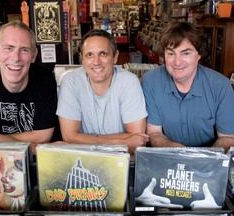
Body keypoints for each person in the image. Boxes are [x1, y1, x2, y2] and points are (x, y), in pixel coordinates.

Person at [141, 21, 234, 151]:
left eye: (186, 53)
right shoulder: (150, 81)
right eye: (171, 53)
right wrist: (175, 150)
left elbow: (227, 138)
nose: (177, 62)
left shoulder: (221, 86)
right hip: (168, 157)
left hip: (210, 162)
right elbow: (154, 133)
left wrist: (204, 159)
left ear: (199, 54)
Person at [56, 29, 149, 153]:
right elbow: (69, 137)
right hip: (85, 158)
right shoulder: (71, 82)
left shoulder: (129, 81)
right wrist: (122, 143)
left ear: (115, 57)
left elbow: (137, 139)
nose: (96, 62)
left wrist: (85, 139)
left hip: (121, 161)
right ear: (82, 59)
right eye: (89, 55)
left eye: (103, 54)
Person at [0, 21, 58, 144]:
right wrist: (33, 144)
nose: (16, 58)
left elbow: (43, 137)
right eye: (9, 48)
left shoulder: (45, 79)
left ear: (34, 55)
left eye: (24, 50)